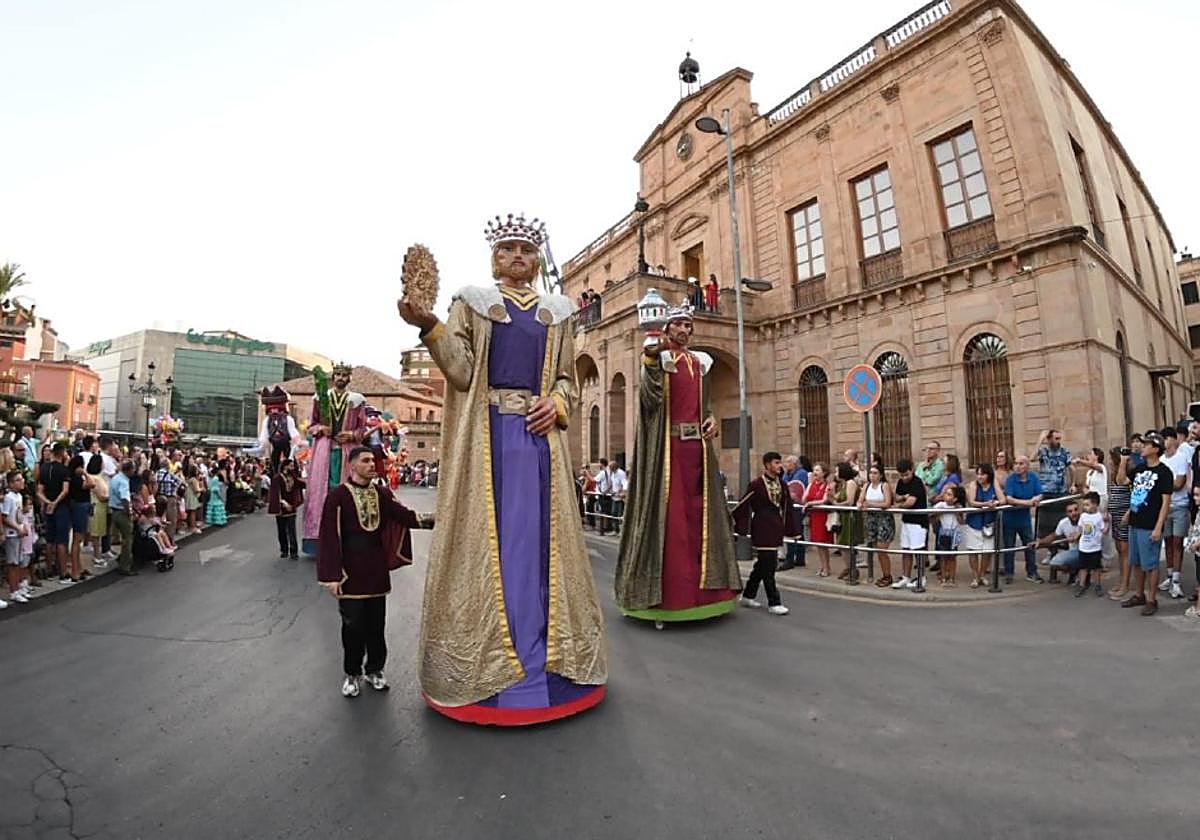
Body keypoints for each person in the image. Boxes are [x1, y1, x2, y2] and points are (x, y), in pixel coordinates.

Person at [399, 213, 607, 725]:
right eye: (509, 249)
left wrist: (556, 405)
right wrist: (429, 324)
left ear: (537, 261)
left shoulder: (559, 313)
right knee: (494, 543)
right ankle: (494, 657)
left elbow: (568, 381)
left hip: (539, 446)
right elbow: (463, 370)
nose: (518, 257)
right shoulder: (471, 302)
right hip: (488, 443)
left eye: (527, 251)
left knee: (540, 546)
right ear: (495, 258)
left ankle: (548, 653)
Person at [615, 302, 742, 625]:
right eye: (679, 325)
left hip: (697, 451)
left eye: (688, 325)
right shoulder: (660, 360)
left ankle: (708, 594)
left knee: (700, 518)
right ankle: (667, 600)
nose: (684, 330)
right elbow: (651, 399)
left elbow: (705, 403)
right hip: (668, 451)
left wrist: (711, 417)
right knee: (670, 520)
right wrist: (650, 360)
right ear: (668, 328)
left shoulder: (699, 364)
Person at [315, 448, 423, 697]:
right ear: (352, 466)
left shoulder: (382, 493)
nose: (372, 464)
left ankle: (375, 670)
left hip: (376, 572)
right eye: (366, 461)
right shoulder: (338, 496)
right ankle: (352, 673)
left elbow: (405, 517)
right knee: (352, 628)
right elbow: (329, 537)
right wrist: (331, 575)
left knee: (376, 626)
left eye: (373, 460)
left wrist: (443, 519)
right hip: (349, 574)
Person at [302, 362, 368, 555]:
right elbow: (312, 425)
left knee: (347, 491)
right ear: (333, 377)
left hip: (347, 451)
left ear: (349, 378)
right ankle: (320, 540)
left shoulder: (357, 400)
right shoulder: (320, 397)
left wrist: (352, 435)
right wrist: (321, 429)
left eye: (343, 374)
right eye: (337, 374)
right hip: (325, 451)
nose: (340, 377)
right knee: (322, 492)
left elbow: (362, 429)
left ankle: (349, 538)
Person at [733, 451, 795, 615]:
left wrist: (791, 529)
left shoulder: (782, 484)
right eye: (776, 463)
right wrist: (737, 525)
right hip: (761, 526)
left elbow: (787, 506)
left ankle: (747, 595)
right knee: (769, 565)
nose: (779, 466)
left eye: (780, 462)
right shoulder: (757, 484)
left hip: (775, 526)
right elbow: (743, 504)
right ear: (767, 464)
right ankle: (774, 601)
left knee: (762, 565)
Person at [1120, 432, 1172, 616]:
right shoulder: (1140, 469)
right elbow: (1122, 482)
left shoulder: (1164, 472)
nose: (1142, 447)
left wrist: (1159, 526)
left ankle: (1152, 599)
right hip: (1136, 520)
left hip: (1150, 523)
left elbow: (1166, 502)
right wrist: (1123, 461)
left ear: (1156, 449)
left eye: (1147, 444)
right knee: (1136, 561)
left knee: (1150, 564)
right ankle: (1139, 594)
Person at [1002, 455, 1045, 585]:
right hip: (1010, 518)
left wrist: (1037, 498)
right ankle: (1009, 573)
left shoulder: (1033, 477)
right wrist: (1027, 502)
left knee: (1030, 546)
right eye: (1016, 463)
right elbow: (1009, 498)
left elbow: (1040, 493)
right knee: (1009, 547)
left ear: (1027, 466)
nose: (1017, 466)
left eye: (1021, 464)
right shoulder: (1010, 479)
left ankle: (1032, 572)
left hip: (1024, 519)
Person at [1158, 427, 1190, 601]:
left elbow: (1179, 483)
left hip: (1179, 505)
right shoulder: (1162, 460)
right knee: (1168, 541)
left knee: (1177, 542)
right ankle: (1170, 575)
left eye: (1166, 438)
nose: (1164, 442)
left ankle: (1177, 579)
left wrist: (1163, 487)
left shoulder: (1181, 458)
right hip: (1165, 506)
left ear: (1173, 440)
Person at [964, 463, 1005, 588]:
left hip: (989, 523)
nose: (980, 477)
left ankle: (982, 575)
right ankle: (975, 576)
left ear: (989, 475)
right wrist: (986, 504)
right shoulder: (973, 485)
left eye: (983, 474)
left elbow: (1003, 500)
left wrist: (996, 502)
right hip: (974, 522)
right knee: (973, 550)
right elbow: (971, 502)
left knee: (987, 551)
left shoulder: (994, 483)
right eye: (978, 474)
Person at [36, 442, 72, 584]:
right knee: (62, 541)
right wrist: (55, 502)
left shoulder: (44, 468)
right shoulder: (64, 470)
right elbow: (65, 490)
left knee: (50, 539)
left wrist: (48, 502)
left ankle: (50, 569)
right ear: (62, 453)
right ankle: (63, 572)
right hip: (61, 507)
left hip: (47, 506)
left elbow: (39, 491)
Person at [892, 458, 928, 590]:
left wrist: (899, 505)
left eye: (906, 474)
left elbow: (910, 503)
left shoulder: (917, 483)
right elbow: (896, 496)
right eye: (902, 475)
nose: (904, 478)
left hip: (918, 522)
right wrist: (902, 498)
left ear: (912, 470)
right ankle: (906, 577)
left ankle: (921, 577)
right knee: (906, 550)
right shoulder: (901, 482)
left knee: (918, 550)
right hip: (906, 521)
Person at [860, 464, 895, 587]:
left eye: (875, 473)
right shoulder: (866, 485)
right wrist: (861, 504)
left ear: (881, 475)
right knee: (877, 548)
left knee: (882, 548)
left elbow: (887, 503)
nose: (872, 475)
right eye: (871, 473)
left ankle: (887, 575)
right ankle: (884, 574)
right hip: (871, 519)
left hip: (883, 519)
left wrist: (871, 504)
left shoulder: (884, 486)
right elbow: (861, 500)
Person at [1106, 448, 1133, 601]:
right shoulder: (1112, 475)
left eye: (1111, 459)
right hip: (1115, 516)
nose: (1109, 462)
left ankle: (1125, 584)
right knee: (1119, 549)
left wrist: (1123, 461)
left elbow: (1124, 483)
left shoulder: (1126, 475)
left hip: (1124, 516)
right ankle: (1122, 581)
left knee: (1125, 551)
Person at [2, 471, 30, 604]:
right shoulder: (9, 498)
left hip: (19, 533)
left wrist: (23, 527)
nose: (22, 481)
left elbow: (19, 515)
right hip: (12, 534)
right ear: (11, 483)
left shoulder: (18, 496)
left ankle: (18, 587)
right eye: (18, 480)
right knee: (12, 563)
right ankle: (13, 591)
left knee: (18, 561)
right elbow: (5, 517)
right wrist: (17, 528)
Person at [269, 458, 305, 560]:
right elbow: (276, 494)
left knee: (292, 531)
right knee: (282, 531)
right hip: (282, 508)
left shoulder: (293, 477)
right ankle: (284, 550)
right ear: (285, 466)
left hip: (292, 508)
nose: (292, 467)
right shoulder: (277, 478)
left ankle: (294, 552)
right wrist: (284, 503)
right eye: (291, 465)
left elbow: (302, 484)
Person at [832, 463, 862, 581]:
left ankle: (852, 569)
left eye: (837, 471)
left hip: (850, 517)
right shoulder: (842, 484)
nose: (835, 474)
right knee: (842, 543)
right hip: (843, 516)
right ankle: (848, 567)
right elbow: (836, 497)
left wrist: (836, 504)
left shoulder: (850, 483)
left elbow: (849, 501)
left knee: (846, 543)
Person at [933, 484, 967, 587]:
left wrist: (957, 513)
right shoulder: (940, 505)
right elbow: (932, 517)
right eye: (946, 494)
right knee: (943, 557)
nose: (946, 496)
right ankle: (943, 577)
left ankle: (952, 578)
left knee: (952, 557)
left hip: (954, 533)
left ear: (955, 498)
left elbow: (962, 522)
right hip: (944, 532)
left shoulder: (959, 507)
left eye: (949, 494)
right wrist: (939, 514)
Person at [1074, 492, 1107, 597]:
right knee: (1083, 567)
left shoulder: (1099, 517)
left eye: (1087, 505)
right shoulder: (1083, 516)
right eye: (1084, 505)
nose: (1085, 507)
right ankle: (1082, 584)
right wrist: (1076, 536)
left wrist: (1108, 522)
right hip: (1084, 547)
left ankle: (1098, 585)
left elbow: (1104, 530)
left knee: (1096, 568)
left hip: (1095, 548)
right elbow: (1080, 528)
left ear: (1095, 505)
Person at [109, 460, 137, 576]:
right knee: (128, 538)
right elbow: (124, 498)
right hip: (121, 511)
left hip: (114, 510)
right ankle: (125, 565)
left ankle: (122, 558)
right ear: (129, 470)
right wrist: (129, 511)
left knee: (121, 537)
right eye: (133, 469)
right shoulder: (124, 481)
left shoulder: (115, 478)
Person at [803, 463, 831, 577]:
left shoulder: (827, 485)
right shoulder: (811, 484)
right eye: (814, 470)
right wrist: (808, 501)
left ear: (824, 473)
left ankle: (827, 567)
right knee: (818, 544)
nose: (815, 472)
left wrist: (810, 503)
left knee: (823, 544)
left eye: (818, 470)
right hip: (814, 516)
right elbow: (804, 498)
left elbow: (824, 500)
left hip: (822, 516)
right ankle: (823, 566)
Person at [86, 456, 109, 566]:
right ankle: (97, 556)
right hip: (97, 506)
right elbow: (101, 496)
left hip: (101, 507)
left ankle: (98, 555)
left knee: (98, 533)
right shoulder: (94, 478)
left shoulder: (99, 477)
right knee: (96, 533)